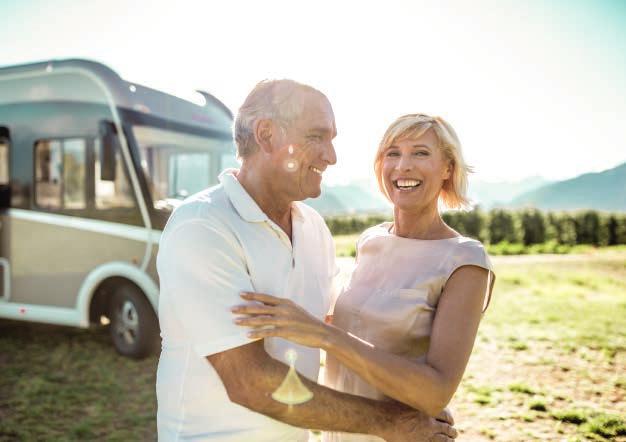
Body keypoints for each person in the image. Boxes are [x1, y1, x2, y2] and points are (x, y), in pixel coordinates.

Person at [156, 83, 458, 442]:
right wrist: (391, 422)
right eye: (317, 136)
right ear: (266, 135)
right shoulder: (203, 225)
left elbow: (333, 325)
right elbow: (250, 382)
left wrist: (419, 389)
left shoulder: (312, 227)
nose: (331, 156)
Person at [232, 113, 496, 441]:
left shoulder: (465, 261)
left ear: (448, 168)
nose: (403, 166)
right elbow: (353, 322)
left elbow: (435, 393)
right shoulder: (370, 241)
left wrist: (324, 335)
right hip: (342, 431)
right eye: (393, 153)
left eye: (421, 153)